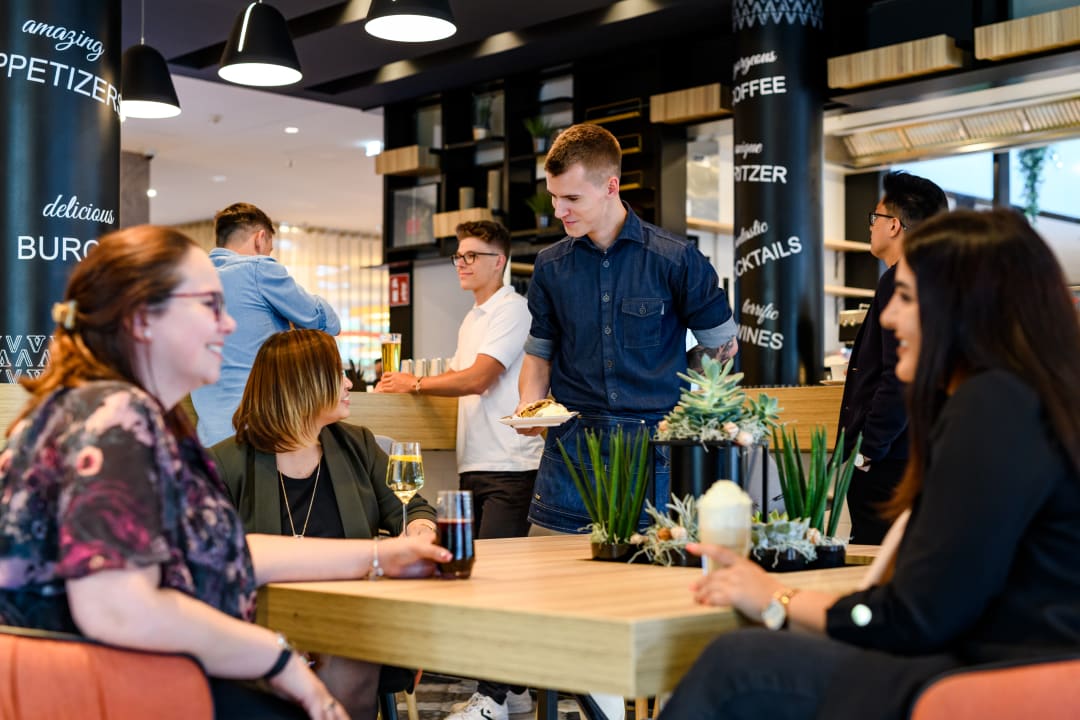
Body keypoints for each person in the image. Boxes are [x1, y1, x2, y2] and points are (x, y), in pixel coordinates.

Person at [0, 226, 451, 720]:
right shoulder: (116, 419)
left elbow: (233, 550)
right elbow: (119, 609)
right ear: (143, 319)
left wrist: (382, 553)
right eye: (209, 306)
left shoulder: (107, 410)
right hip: (117, 692)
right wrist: (277, 659)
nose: (230, 324)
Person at [660, 208, 1080, 720]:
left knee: (736, 663)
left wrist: (776, 597)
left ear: (966, 305)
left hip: (983, 683)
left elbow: (916, 616)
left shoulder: (991, 405)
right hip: (1028, 677)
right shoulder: (1037, 402)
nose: (886, 317)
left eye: (906, 297)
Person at [517, 123, 738, 535]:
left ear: (611, 186)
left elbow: (721, 344)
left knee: (648, 572)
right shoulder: (550, 266)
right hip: (571, 450)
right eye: (554, 197)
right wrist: (530, 406)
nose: (559, 210)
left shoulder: (676, 259)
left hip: (653, 451)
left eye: (572, 198)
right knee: (547, 569)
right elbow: (540, 351)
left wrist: (682, 394)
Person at [210, 328, 438, 719]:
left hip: (350, 618)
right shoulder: (225, 464)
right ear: (302, 385)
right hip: (265, 624)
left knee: (351, 654)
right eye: (338, 373)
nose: (349, 383)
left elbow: (414, 508)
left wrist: (419, 533)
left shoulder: (357, 445)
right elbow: (217, 569)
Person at [377, 220, 543, 720]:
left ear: (500, 261)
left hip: (511, 463)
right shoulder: (472, 318)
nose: (462, 264)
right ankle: (514, 689)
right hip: (477, 461)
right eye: (459, 256)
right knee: (480, 575)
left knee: (493, 582)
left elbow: (479, 378)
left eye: (473, 255)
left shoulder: (513, 309)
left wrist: (415, 383)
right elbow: (459, 376)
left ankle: (493, 699)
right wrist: (412, 385)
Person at [838, 171, 947, 544]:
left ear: (895, 225)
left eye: (875, 218)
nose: (871, 227)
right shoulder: (933, 279)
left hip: (889, 460)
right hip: (917, 452)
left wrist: (867, 450)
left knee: (875, 555)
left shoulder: (900, 281)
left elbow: (899, 375)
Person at [191, 202, 341, 447]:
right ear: (260, 239)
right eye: (270, 250)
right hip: (261, 434)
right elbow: (326, 322)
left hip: (209, 438)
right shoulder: (258, 269)